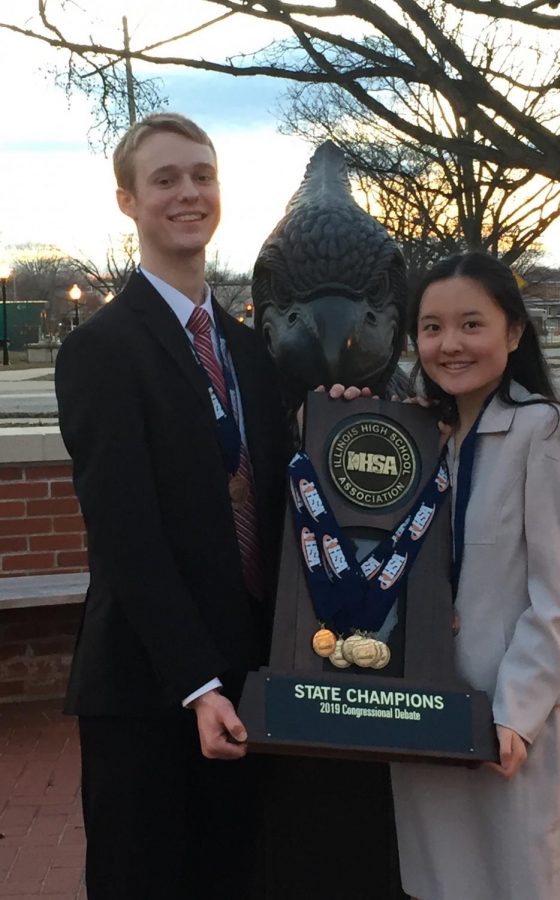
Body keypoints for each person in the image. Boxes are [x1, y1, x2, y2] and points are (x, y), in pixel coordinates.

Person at [55, 113, 292, 900]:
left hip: (249, 673)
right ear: (128, 200)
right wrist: (197, 684)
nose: (188, 192)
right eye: (165, 179)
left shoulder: (252, 352)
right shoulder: (102, 349)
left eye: (202, 174)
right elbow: (125, 535)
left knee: (236, 877)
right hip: (151, 688)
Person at [390, 252, 560, 900]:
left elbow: (558, 596)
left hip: (506, 716)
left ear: (512, 332)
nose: (448, 344)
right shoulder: (424, 439)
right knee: (436, 882)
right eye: (430, 327)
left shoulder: (544, 433)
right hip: (426, 706)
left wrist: (515, 713)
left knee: (516, 882)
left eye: (470, 324)